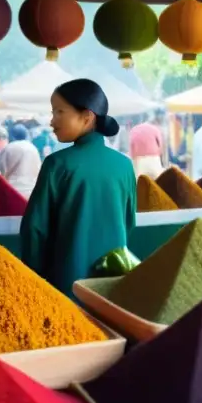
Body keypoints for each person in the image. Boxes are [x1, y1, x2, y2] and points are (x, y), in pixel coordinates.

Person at [21, 80, 137, 297]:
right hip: (113, 287)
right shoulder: (125, 166)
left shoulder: (57, 164)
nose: (52, 121)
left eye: (59, 112)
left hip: (67, 286)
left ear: (87, 116)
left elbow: (35, 231)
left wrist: (34, 279)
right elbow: (129, 222)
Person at [0, 123, 42, 198]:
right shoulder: (33, 149)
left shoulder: (9, 148)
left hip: (12, 190)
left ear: (12, 135)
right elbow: (38, 170)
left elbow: (3, 169)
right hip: (31, 191)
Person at [130, 111, 167, 178]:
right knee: (157, 183)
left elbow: (131, 149)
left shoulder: (133, 130)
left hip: (139, 161)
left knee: (140, 184)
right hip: (154, 159)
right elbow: (161, 146)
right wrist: (162, 162)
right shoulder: (155, 129)